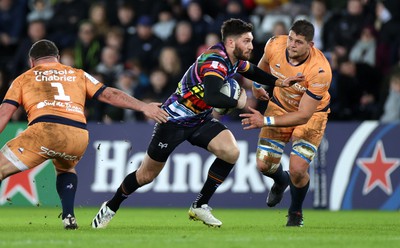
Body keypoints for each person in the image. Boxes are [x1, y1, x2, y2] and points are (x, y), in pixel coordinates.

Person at [91, 18, 303, 229]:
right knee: (146, 175)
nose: (250, 46)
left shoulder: (233, 58)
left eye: (251, 41)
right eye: (246, 41)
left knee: (231, 152)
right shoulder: (214, 62)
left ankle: (200, 205)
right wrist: (239, 102)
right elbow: (212, 97)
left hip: (200, 120)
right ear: (231, 42)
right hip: (172, 121)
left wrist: (278, 82)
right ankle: (111, 206)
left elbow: (251, 70)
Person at [0, 39, 169, 230]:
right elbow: (110, 95)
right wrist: (143, 106)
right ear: (58, 58)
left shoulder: (24, 78)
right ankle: (69, 215)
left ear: (32, 61)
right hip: (78, 135)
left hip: (44, 130)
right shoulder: (77, 74)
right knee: (65, 169)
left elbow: (5, 113)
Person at [240, 19, 332, 227]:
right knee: (264, 165)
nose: (291, 44)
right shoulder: (275, 44)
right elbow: (262, 66)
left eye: (298, 42)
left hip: (312, 115)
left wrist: (265, 120)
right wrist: (256, 85)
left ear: (311, 45)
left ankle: (295, 212)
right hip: (279, 105)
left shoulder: (320, 71)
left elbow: (303, 116)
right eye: (290, 38)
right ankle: (281, 181)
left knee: (298, 169)